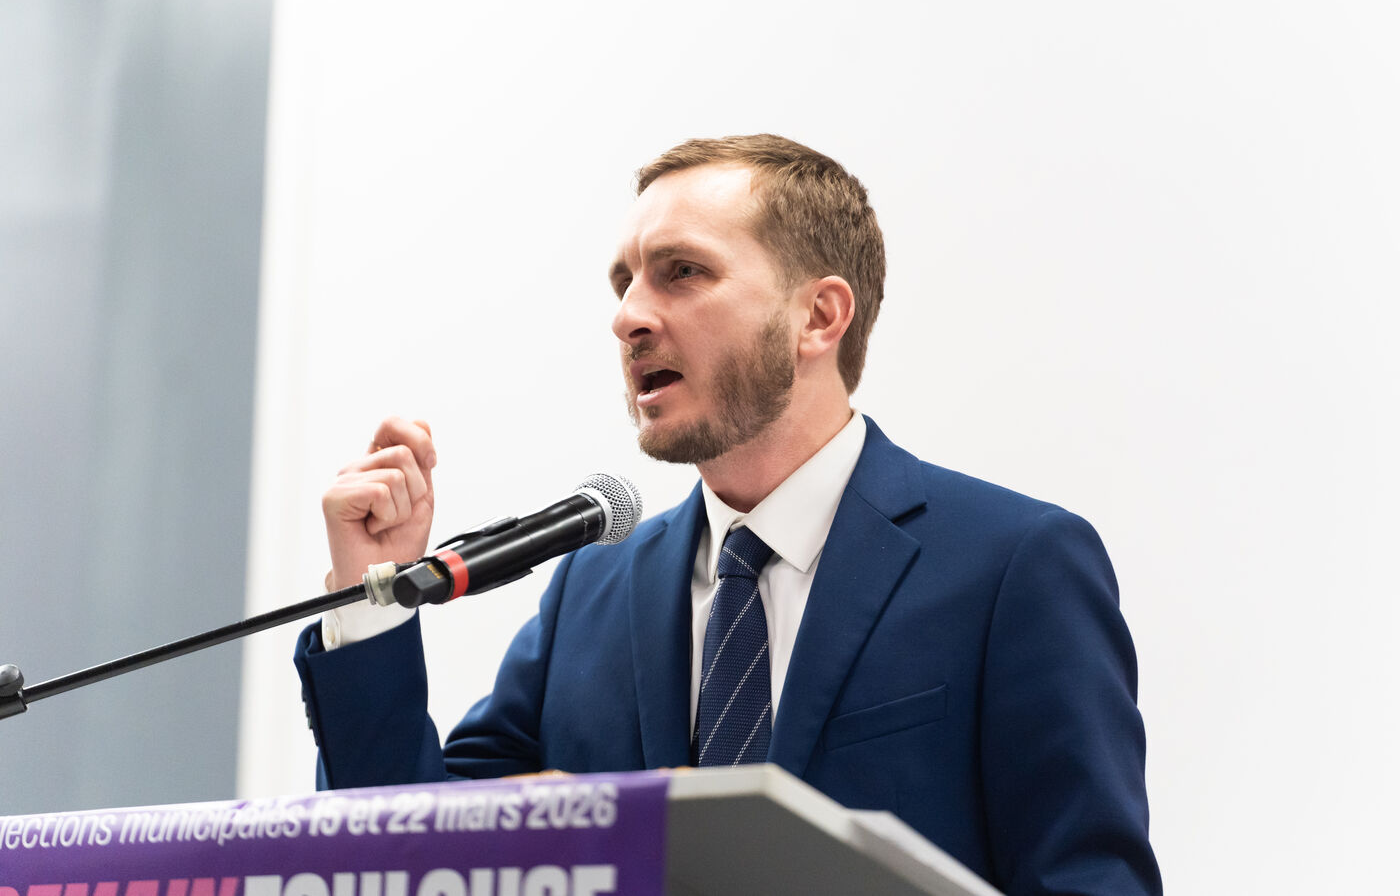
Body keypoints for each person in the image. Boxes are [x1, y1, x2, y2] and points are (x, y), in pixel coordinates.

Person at [294, 134, 1163, 896]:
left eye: (683, 272)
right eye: (623, 283)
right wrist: (370, 601)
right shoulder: (591, 591)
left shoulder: (1012, 566)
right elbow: (410, 854)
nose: (629, 317)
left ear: (818, 315)